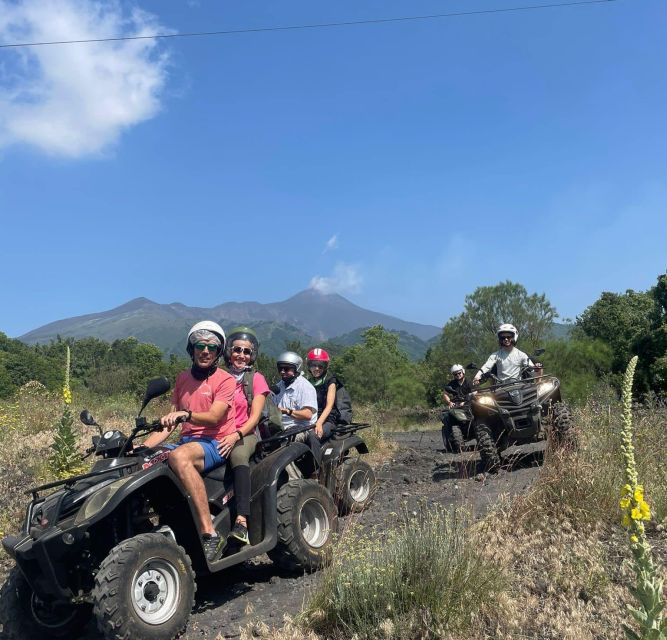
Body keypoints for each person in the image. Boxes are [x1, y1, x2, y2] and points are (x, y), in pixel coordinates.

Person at [143, 321, 235, 563]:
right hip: (187, 440)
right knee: (144, 462)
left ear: (218, 352)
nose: (205, 351)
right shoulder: (182, 378)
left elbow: (215, 416)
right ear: (191, 349)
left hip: (215, 441)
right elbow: (169, 425)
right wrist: (142, 448)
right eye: (200, 345)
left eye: (212, 347)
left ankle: (209, 533)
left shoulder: (225, 380)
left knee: (179, 456)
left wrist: (187, 414)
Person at [222, 326, 270, 545]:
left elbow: (254, 418)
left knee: (238, 456)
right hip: (219, 432)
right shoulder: (219, 376)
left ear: (252, 356)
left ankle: (242, 521)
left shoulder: (256, 379)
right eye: (237, 349)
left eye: (247, 351)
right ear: (229, 351)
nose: (241, 355)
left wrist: (236, 434)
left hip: (247, 433)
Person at [306, 347, 348, 442]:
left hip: (328, 419)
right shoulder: (308, 383)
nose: (317, 368)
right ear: (309, 366)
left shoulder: (330, 381)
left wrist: (319, 423)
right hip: (312, 418)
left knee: (313, 436)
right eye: (313, 365)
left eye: (321, 365)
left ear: (326, 366)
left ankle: (315, 457)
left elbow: (329, 406)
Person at [273, 351, 318, 431]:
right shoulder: (279, 385)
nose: (282, 372)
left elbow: (308, 414)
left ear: (297, 369)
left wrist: (287, 411)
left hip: (301, 427)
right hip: (281, 425)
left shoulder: (305, 387)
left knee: (284, 442)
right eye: (280, 368)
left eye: (286, 369)